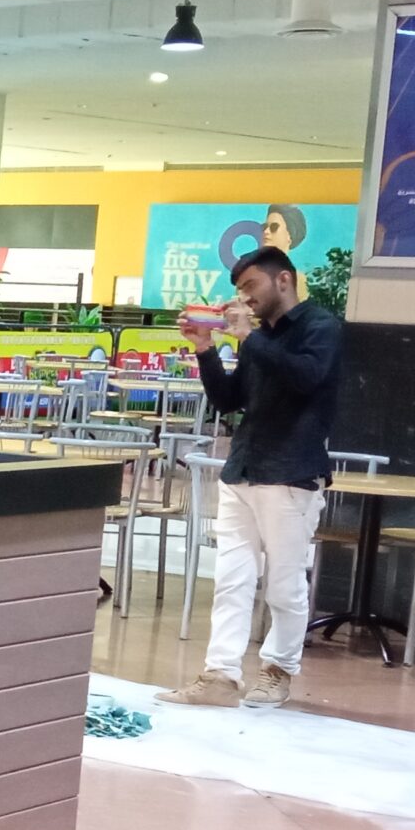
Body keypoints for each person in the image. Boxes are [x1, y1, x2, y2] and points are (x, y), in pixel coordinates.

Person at [158, 246, 342, 711]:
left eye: (251, 286)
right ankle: (220, 674)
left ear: (284, 280)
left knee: (283, 583)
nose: (245, 297)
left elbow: (307, 377)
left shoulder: (321, 326)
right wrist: (205, 348)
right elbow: (228, 400)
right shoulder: (258, 339)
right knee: (231, 579)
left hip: (292, 473)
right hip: (242, 469)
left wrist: (247, 337)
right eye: (240, 289)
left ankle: (278, 670)